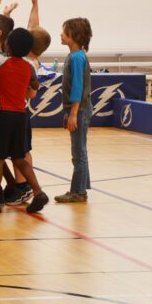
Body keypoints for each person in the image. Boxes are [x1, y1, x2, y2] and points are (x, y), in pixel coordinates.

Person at [0, 28, 49, 214]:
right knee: (19, 158)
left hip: (2, 114)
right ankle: (38, 191)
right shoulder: (29, 65)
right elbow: (35, 85)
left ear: (8, 45)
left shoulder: (1, 61)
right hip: (20, 115)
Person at [56, 17, 93, 204]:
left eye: (64, 31)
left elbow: (78, 87)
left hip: (79, 110)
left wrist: (73, 113)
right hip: (77, 109)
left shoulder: (78, 57)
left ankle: (78, 192)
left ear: (73, 35)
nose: (61, 34)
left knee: (78, 152)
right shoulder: (74, 55)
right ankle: (81, 188)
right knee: (80, 150)